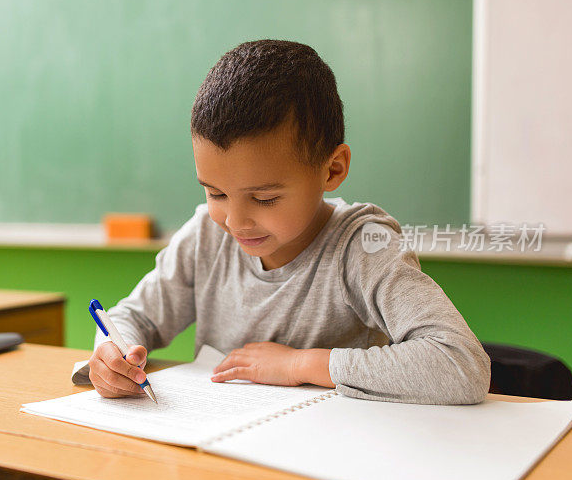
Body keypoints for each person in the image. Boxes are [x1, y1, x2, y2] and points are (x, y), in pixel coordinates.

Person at [80, 39, 490, 404]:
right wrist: (112, 353)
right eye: (215, 193)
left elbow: (461, 364)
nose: (236, 221)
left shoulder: (364, 245)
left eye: (265, 198)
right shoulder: (206, 235)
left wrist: (301, 365)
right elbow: (134, 317)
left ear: (332, 170)